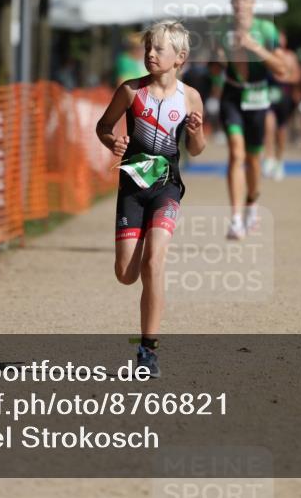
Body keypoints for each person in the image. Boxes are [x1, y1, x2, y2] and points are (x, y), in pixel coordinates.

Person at [95, 21, 206, 378]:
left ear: (180, 58)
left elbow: (197, 149)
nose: (150, 54)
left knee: (154, 262)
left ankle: (148, 349)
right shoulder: (130, 92)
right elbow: (103, 127)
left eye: (159, 49)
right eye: (147, 48)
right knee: (126, 274)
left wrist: (197, 132)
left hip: (167, 187)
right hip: (133, 187)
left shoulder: (189, 97)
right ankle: (138, 250)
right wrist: (113, 142)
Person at [212, 0, 286, 240]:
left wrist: (255, 48)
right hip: (232, 95)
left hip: (258, 97)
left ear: (254, 2)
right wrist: (218, 61)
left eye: (246, 0)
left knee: (254, 160)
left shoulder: (266, 30)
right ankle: (235, 220)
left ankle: (252, 204)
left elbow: (282, 68)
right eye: (237, 0)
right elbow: (214, 67)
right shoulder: (221, 31)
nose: (241, 5)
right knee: (236, 153)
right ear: (231, 2)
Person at [262, 31, 301, 181]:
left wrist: (285, 77)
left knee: (281, 130)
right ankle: (269, 157)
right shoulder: (267, 56)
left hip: (285, 96)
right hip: (269, 96)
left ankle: (279, 161)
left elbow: (297, 76)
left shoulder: (290, 57)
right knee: (268, 125)